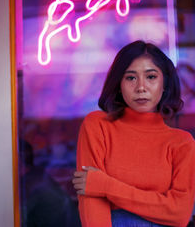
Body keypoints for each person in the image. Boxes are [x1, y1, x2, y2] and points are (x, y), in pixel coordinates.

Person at [72, 40, 195, 227]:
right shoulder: (98, 125)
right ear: (119, 85)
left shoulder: (182, 143)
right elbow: (92, 207)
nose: (141, 87)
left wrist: (105, 186)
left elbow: (179, 213)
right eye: (131, 78)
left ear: (165, 84)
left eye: (151, 77)